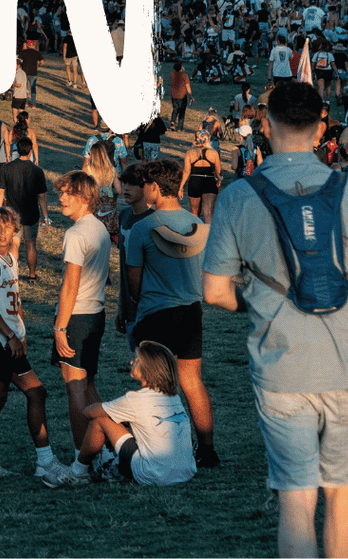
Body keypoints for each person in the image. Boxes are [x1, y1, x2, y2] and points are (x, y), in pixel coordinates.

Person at [203, 81, 348, 558]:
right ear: (323, 127)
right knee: (343, 488)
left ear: (265, 125)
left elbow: (214, 292)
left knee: (296, 499)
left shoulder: (239, 196)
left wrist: (257, 297)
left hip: (282, 365)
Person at [124, 158, 217, 467]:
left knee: (153, 386)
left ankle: (161, 450)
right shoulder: (199, 226)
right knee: (192, 382)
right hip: (191, 312)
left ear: (153, 187)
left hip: (156, 314)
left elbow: (133, 283)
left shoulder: (142, 228)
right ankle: (206, 451)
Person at [0, 206, 74, 483]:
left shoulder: (10, 259)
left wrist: (21, 332)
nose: (3, 232)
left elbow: (12, 300)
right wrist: (11, 336)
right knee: (37, 393)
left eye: (8, 227)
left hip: (7, 339)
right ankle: (45, 461)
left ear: (15, 229)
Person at [45, 341, 197, 488]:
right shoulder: (174, 398)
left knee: (100, 421)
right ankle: (112, 465)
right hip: (186, 472)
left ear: (149, 369)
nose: (132, 363)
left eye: (137, 360)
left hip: (155, 475)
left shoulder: (136, 400)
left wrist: (112, 413)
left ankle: (77, 473)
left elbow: (89, 412)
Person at [49, 171, 110, 452]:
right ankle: (108, 445)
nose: (60, 197)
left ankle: (82, 457)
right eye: (60, 192)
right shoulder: (99, 227)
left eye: (67, 193)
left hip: (77, 317)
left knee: (74, 388)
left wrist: (60, 328)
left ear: (85, 198)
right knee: (89, 388)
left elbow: (70, 286)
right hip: (96, 312)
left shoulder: (75, 234)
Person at [0, 137, 49, 280]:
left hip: (12, 214)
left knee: (14, 246)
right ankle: (32, 275)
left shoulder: (6, 168)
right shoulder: (37, 171)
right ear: (30, 151)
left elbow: (0, 192)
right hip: (32, 214)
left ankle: (13, 275)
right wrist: (45, 216)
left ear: (17, 150)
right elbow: (42, 197)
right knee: (31, 245)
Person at [183, 129, 223, 223]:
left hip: (195, 181)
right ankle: (208, 235)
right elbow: (218, 171)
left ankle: (196, 234)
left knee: (194, 212)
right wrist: (219, 180)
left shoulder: (190, 153)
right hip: (209, 181)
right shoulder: (213, 153)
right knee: (208, 213)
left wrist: (181, 187)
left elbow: (186, 171)